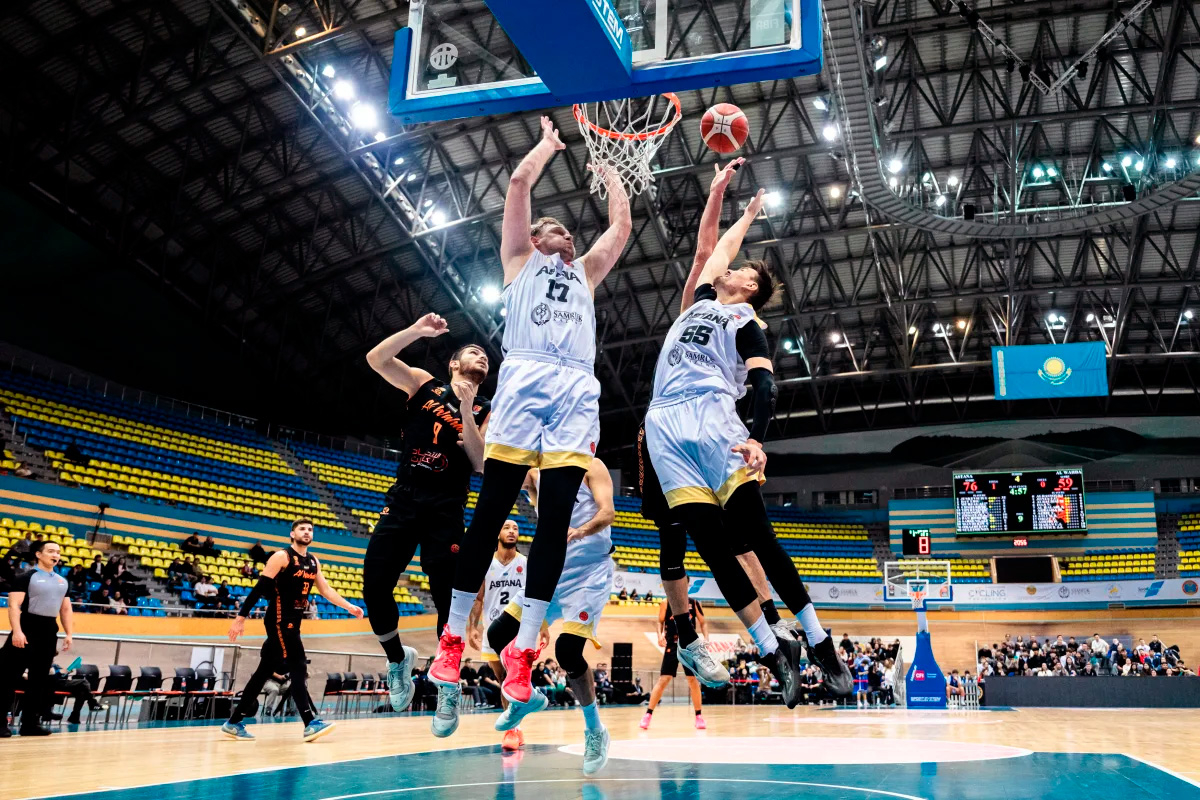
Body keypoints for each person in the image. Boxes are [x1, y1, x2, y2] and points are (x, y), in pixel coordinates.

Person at [429, 117, 632, 721]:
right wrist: (548, 146)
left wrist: (613, 181)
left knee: (553, 520)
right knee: (491, 510)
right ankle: (450, 638)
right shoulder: (519, 261)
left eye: (570, 232)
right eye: (557, 229)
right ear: (537, 238)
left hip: (576, 387)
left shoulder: (585, 274)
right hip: (525, 376)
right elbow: (518, 185)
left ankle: (522, 649)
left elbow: (620, 230)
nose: (567, 235)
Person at [642, 166, 852, 701]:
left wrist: (757, 437)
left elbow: (764, 384)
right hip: (664, 424)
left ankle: (819, 640)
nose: (730, 269)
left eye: (741, 272)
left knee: (758, 537)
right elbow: (713, 248)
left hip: (714, 419)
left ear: (749, 290)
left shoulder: (744, 324)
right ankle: (771, 649)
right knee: (713, 550)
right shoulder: (700, 303)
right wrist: (734, 203)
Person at [363, 310, 492, 721]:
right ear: (454, 363)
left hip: (447, 505)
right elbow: (376, 359)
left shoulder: (487, 408)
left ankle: (447, 688)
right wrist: (416, 331)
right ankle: (397, 659)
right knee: (374, 585)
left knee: (446, 598)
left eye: (486, 356)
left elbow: (479, 462)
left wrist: (468, 412)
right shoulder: (423, 383)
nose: (482, 357)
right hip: (405, 496)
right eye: (473, 352)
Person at [485, 457, 618, 775]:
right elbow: (501, 470)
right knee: (497, 634)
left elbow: (608, 513)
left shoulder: (592, 466)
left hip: (588, 572)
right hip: (550, 568)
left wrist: (579, 532)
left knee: (568, 652)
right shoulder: (538, 473)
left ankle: (595, 730)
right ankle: (526, 695)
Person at [221, 519, 363, 742]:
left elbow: (326, 590)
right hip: (278, 620)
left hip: (294, 621)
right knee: (298, 664)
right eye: (302, 529)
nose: (306, 532)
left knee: (263, 671)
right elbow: (259, 589)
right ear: (292, 534)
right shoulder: (282, 557)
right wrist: (240, 618)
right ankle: (309, 723)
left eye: (310, 530)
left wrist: (349, 606)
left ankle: (233, 722)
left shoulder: (313, 561)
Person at [467, 519, 531, 749]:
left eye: (515, 528)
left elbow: (535, 597)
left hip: (518, 631)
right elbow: (478, 598)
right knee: (503, 680)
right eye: (506, 527)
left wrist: (542, 627)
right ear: (498, 533)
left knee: (513, 679)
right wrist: (472, 627)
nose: (512, 531)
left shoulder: (525, 563)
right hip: (491, 630)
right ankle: (515, 728)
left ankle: (512, 729)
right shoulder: (486, 562)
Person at [0, 541, 73, 737]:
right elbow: (14, 606)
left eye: (58, 552)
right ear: (39, 554)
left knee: (39, 680)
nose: (55, 555)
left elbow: (66, 609)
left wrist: (69, 633)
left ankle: (30, 724)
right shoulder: (25, 577)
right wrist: (17, 631)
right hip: (26, 627)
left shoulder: (63, 581)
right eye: (50, 551)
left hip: (48, 630)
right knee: (8, 677)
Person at [642, 597, 708, 730]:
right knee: (664, 679)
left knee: (692, 680)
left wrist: (706, 638)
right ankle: (648, 715)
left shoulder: (694, 603)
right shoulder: (666, 603)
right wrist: (659, 635)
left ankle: (699, 716)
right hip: (672, 644)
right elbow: (660, 622)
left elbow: (703, 622)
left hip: (689, 646)